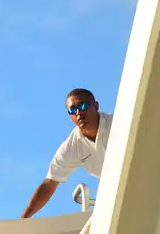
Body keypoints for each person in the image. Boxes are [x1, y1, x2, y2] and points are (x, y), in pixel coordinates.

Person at [21, 88, 114, 218]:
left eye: (83, 106)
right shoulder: (73, 145)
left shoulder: (118, 122)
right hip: (118, 192)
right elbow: (49, 184)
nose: (79, 113)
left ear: (96, 106)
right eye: (72, 110)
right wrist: (23, 220)